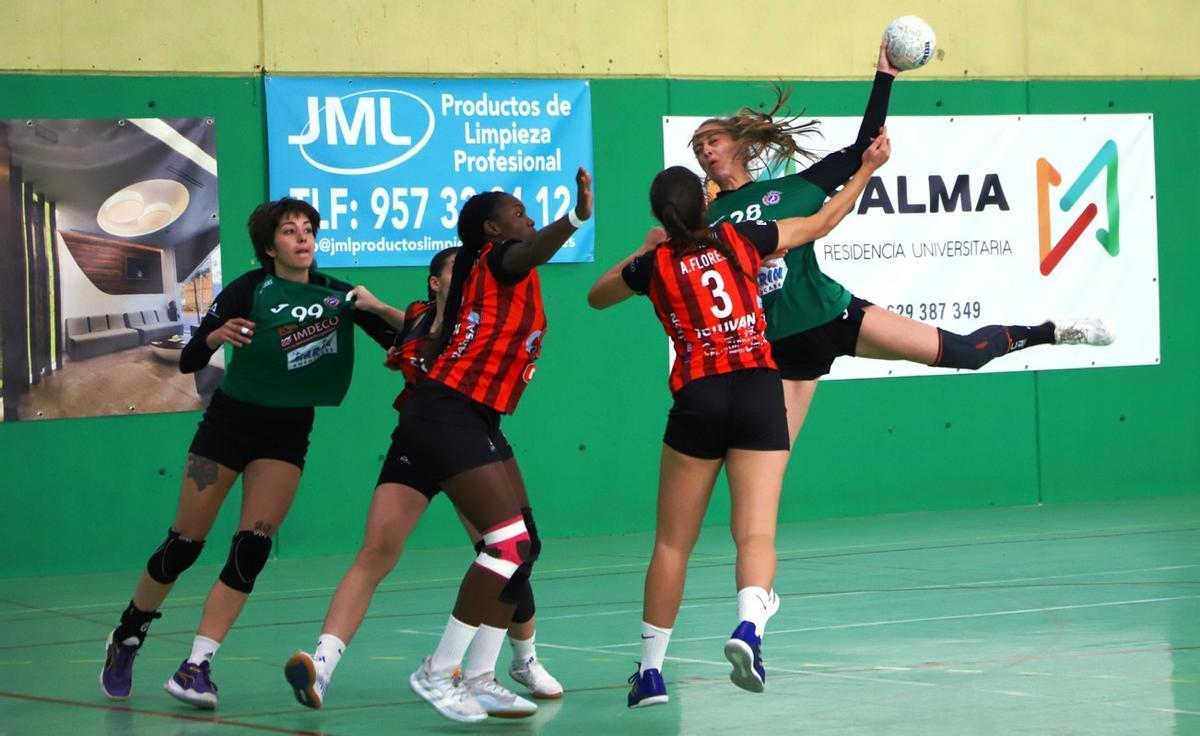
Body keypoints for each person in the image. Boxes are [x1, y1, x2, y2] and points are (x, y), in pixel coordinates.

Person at [587, 136, 889, 708]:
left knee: (673, 546)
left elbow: (596, 298)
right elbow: (821, 223)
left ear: (660, 216)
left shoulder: (654, 264)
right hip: (756, 391)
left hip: (698, 400)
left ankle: (650, 673)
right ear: (706, 207)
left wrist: (643, 250)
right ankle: (749, 626)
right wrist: (865, 171)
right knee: (754, 532)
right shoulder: (738, 237)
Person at [691, 42, 1114, 448]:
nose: (707, 149)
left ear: (740, 143)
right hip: (780, 346)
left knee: (967, 352)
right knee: (765, 465)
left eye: (714, 140)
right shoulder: (707, 222)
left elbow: (863, 150)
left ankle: (1050, 332)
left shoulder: (792, 190)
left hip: (833, 313)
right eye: (699, 147)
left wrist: (885, 75)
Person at [98, 198, 405, 709]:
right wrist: (216, 334)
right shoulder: (248, 288)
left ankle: (196, 666)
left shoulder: (339, 295)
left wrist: (375, 307)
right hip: (227, 427)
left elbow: (410, 340)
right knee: (184, 545)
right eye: (290, 231)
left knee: (251, 549)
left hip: (286, 435)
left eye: (309, 229)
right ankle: (127, 635)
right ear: (270, 246)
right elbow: (190, 359)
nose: (303, 238)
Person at [283, 247, 563, 712]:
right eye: (458, 269)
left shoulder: (479, 317)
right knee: (376, 552)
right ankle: (322, 668)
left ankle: (522, 659)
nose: (471, 274)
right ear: (434, 282)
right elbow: (402, 322)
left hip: (470, 437)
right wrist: (368, 305)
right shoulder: (416, 318)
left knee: (512, 548)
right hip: (417, 440)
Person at [396, 168, 593, 723]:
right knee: (503, 543)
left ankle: (481, 676)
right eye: (517, 212)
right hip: (445, 411)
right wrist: (575, 216)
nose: (526, 218)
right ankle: (438, 671)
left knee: (523, 546)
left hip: (479, 417)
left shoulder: (513, 275)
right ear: (493, 228)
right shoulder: (498, 261)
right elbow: (529, 247)